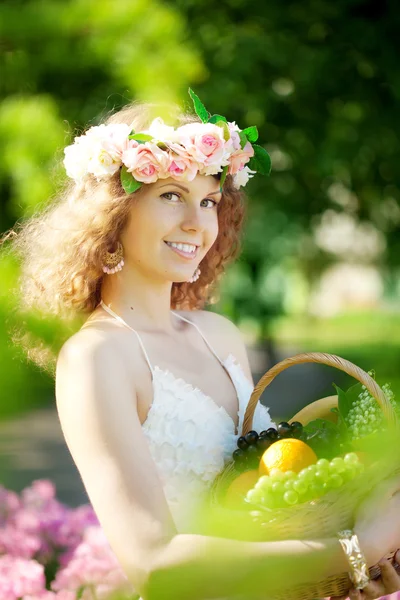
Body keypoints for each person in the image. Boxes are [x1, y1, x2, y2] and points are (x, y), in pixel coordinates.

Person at [5, 90, 400, 600]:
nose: (198, 223)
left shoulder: (219, 335)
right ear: (114, 213)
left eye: (209, 201)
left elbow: (266, 504)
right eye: (171, 195)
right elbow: (155, 565)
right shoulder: (96, 358)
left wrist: (349, 576)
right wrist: (358, 546)